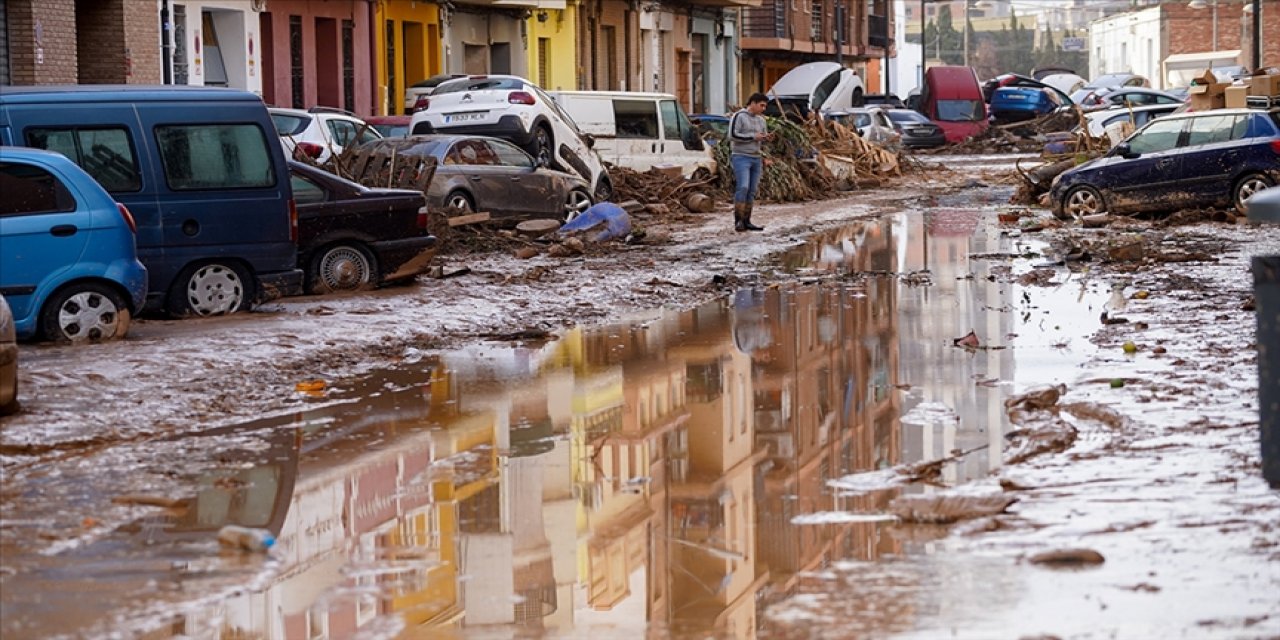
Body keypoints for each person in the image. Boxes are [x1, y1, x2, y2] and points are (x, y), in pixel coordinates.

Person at [728, 92, 774, 232]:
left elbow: (763, 140)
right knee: (743, 187)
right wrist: (753, 137)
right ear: (753, 103)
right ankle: (738, 220)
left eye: (765, 106)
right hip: (741, 156)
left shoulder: (761, 121)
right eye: (761, 105)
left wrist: (766, 153)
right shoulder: (739, 116)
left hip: (756, 157)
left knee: (752, 190)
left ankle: (747, 220)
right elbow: (732, 135)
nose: (763, 108)